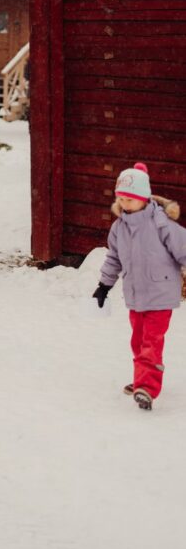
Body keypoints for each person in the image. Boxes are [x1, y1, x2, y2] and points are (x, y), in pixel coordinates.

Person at [93, 162, 186, 411]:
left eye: (130, 199)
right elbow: (114, 258)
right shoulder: (118, 228)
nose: (124, 204)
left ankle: (147, 387)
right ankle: (142, 379)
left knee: (151, 342)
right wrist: (104, 285)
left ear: (144, 198)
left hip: (161, 293)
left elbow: (183, 248)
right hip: (135, 296)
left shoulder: (161, 224)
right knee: (138, 342)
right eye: (121, 198)